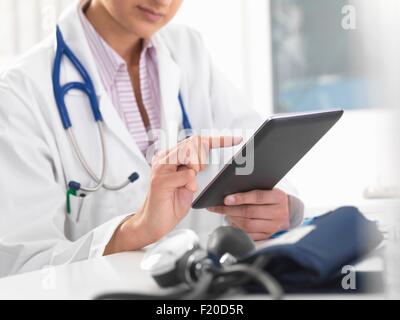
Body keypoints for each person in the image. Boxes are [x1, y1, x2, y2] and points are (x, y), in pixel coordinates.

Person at [0, 0, 304, 277]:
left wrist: (275, 207)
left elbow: (255, 147)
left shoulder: (187, 50)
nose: (164, 2)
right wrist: (133, 231)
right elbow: (22, 265)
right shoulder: (20, 94)